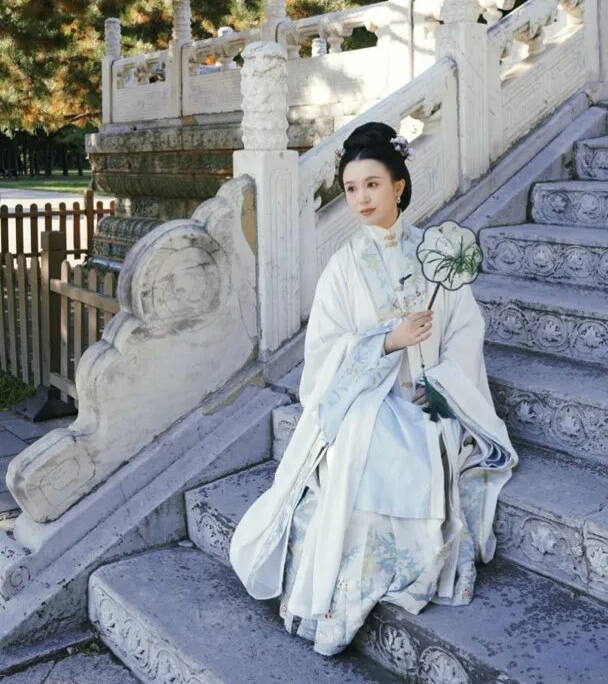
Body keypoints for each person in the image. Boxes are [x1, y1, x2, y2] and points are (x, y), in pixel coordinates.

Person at [229, 122, 518, 656]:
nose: (361, 198)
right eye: (351, 188)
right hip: (365, 396)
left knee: (413, 443)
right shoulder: (342, 267)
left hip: (429, 395)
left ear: (397, 186)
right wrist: (388, 341)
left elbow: (463, 334)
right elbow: (324, 352)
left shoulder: (436, 255)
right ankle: (345, 594)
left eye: (372, 184)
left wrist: (441, 385)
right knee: (367, 448)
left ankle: (390, 568)